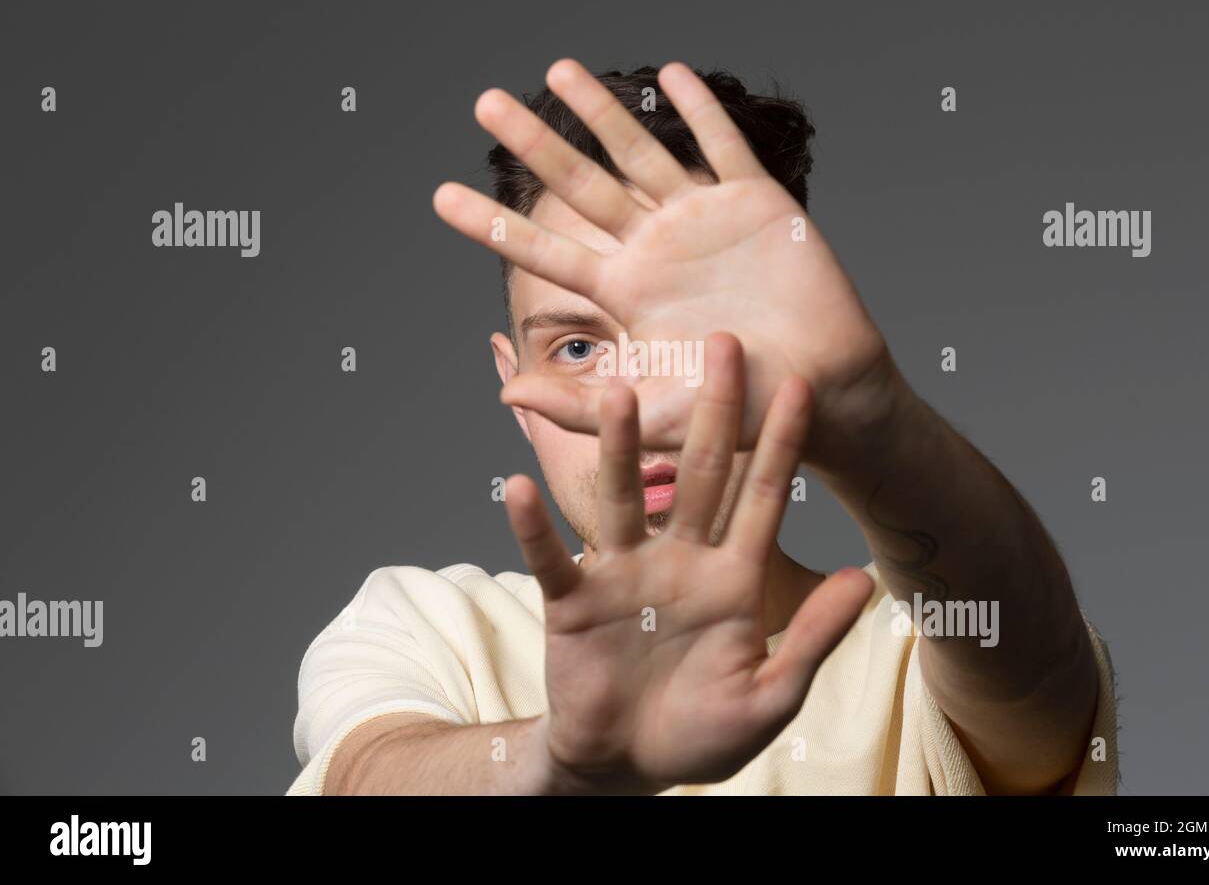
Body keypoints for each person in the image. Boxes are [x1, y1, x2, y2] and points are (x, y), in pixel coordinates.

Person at [287, 60, 1117, 796]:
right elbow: (367, 775)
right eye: (576, 346)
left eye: (690, 344)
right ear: (514, 381)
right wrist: (559, 765)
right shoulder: (427, 625)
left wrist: (870, 416)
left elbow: (1033, 670)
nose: (639, 406)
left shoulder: (917, 649)